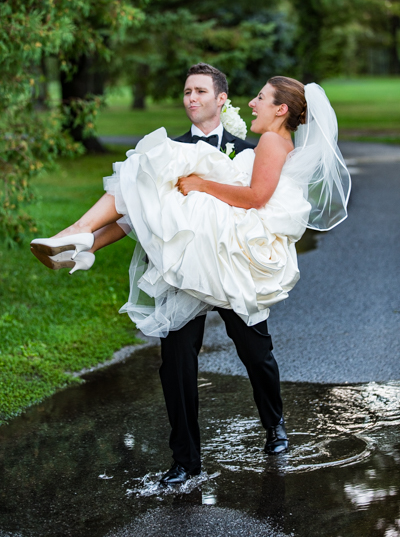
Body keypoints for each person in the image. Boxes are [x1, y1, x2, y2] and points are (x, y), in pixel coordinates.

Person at [30, 65, 351, 486]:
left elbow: (256, 196)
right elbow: (143, 217)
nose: (190, 98)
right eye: (186, 91)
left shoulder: (251, 144)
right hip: (186, 266)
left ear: (222, 98)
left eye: (200, 90)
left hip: (231, 259)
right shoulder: (174, 150)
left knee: (257, 354)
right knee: (176, 363)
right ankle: (185, 460)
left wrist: (200, 183)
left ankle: (274, 424)